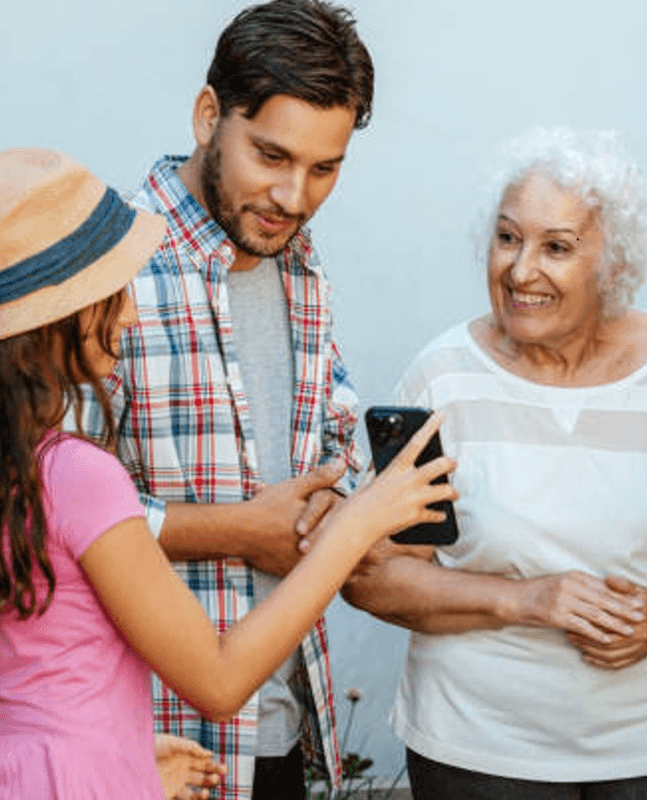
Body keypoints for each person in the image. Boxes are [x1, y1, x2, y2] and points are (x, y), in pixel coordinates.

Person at [0, 148, 455, 800]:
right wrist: (356, 525)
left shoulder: (19, 467)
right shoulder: (76, 475)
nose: (129, 315)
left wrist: (114, 745)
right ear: (55, 317)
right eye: (112, 293)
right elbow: (217, 680)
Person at [341, 127, 647, 800]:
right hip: (478, 747)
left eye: (556, 247)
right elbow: (372, 575)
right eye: (508, 238)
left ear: (612, 262)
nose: (521, 268)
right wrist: (525, 599)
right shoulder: (443, 382)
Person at [76, 2, 375, 797]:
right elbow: (31, 512)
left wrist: (334, 502)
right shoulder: (104, 270)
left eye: (325, 167)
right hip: (150, 747)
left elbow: (333, 448)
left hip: (284, 725)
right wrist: (239, 531)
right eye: (270, 154)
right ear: (210, 115)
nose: (294, 194)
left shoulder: (301, 267)